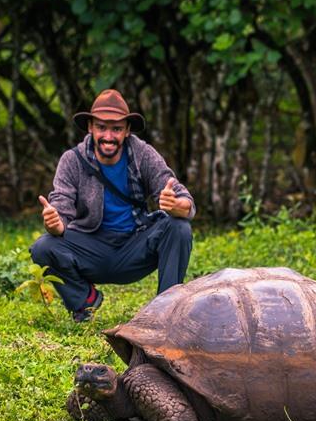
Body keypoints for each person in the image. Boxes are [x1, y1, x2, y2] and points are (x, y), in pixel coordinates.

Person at [30, 89, 195, 322]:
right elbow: (61, 210)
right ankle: (84, 302)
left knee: (179, 227)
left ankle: (166, 313)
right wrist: (54, 224)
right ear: (90, 127)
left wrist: (177, 205)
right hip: (91, 246)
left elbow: (182, 198)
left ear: (127, 130)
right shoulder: (72, 160)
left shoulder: (143, 154)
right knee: (42, 247)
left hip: (134, 245)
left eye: (116, 128)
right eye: (102, 127)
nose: (108, 136)